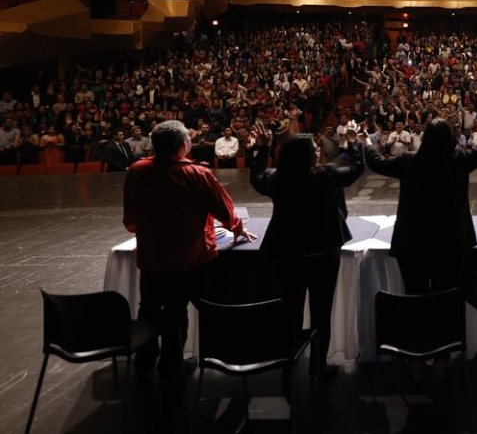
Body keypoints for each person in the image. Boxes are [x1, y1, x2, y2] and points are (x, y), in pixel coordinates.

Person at [123, 120, 255, 381]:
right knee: (175, 309)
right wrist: (236, 227)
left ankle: (144, 361)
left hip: (150, 257)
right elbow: (223, 208)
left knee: (148, 307)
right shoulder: (197, 173)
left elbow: (131, 219)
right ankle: (172, 365)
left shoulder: (137, 170)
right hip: (186, 257)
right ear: (185, 145)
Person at [249, 122, 363, 378]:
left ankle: (288, 364)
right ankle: (318, 367)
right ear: (308, 156)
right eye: (314, 148)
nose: (318, 150)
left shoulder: (276, 179)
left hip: (287, 254)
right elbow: (356, 169)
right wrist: (353, 143)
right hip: (323, 253)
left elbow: (255, 177)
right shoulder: (326, 175)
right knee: (321, 313)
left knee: (290, 312)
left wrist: (262, 150)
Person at [364, 117, 477, 293]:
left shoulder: (408, 161)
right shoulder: (459, 160)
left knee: (416, 300)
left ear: (425, 137)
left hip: (412, 245)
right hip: (450, 244)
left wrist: (366, 141)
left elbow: (377, 163)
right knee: (447, 298)